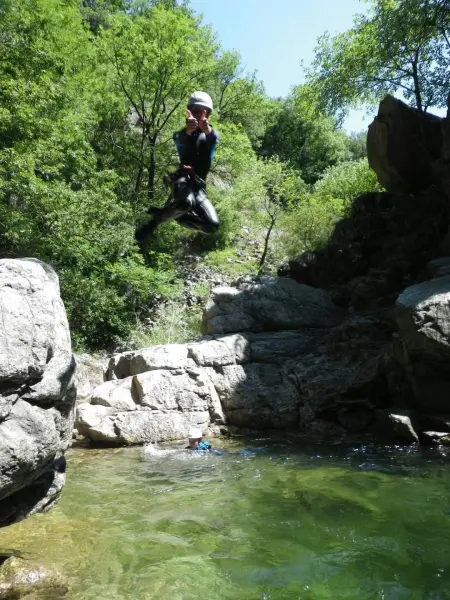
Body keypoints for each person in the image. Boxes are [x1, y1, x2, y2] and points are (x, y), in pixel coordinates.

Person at [135, 91, 220, 243]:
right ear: (189, 112)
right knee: (187, 203)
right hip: (183, 180)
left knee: (212, 226)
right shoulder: (181, 135)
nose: (198, 114)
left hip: (199, 187)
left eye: (201, 111)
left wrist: (207, 130)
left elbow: (212, 138)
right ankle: (153, 223)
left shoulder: (211, 136)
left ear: (208, 114)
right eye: (194, 110)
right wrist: (188, 130)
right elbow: (180, 138)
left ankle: (172, 213)